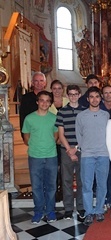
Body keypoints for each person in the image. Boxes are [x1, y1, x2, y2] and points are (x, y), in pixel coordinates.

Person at [76, 86, 111, 225]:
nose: (94, 99)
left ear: (100, 98)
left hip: (103, 154)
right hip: (87, 155)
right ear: (87, 99)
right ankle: (89, 212)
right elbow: (78, 134)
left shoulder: (106, 115)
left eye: (97, 96)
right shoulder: (81, 116)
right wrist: (84, 147)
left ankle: (99, 210)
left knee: (102, 184)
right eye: (91, 97)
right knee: (87, 185)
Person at [22, 91, 58, 224]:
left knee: (51, 186)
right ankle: (38, 211)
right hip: (35, 156)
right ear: (37, 102)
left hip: (51, 156)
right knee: (36, 186)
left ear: (50, 103)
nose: (44, 103)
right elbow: (26, 137)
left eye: (47, 101)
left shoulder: (54, 118)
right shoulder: (29, 118)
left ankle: (50, 211)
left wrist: (48, 144)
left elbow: (56, 135)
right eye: (42, 100)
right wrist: (35, 146)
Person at [55, 85, 86, 220]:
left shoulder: (85, 111)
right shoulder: (62, 112)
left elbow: (86, 133)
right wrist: (69, 150)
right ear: (67, 96)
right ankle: (68, 208)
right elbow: (61, 134)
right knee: (66, 180)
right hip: (66, 150)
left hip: (81, 150)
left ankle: (80, 207)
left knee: (81, 180)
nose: (73, 96)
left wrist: (76, 148)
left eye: (75, 94)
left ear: (79, 95)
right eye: (71, 94)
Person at [19, 72, 47, 139]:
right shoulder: (26, 98)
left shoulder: (49, 96)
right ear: (32, 83)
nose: (39, 83)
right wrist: (24, 135)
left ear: (45, 83)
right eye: (36, 81)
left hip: (47, 131)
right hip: (32, 132)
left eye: (41, 81)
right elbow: (23, 116)